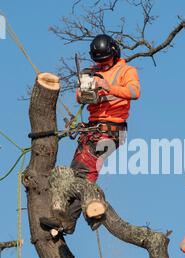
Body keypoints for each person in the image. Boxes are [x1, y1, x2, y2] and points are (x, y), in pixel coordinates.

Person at [40, 34, 140, 234]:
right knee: (75, 173)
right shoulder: (91, 72)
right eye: (99, 62)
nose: (102, 66)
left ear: (114, 53)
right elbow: (79, 97)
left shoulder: (126, 70)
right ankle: (64, 218)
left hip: (112, 130)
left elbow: (134, 91)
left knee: (84, 174)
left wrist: (107, 86)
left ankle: (70, 220)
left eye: (105, 61)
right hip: (93, 128)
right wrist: (86, 89)